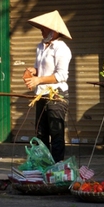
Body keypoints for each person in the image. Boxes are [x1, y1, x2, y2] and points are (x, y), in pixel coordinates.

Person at [23, 10, 72, 163]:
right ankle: (43, 165)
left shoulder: (61, 48)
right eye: (41, 28)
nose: (42, 31)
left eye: (44, 28)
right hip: (41, 95)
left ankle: (57, 167)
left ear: (55, 31)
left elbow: (61, 75)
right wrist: (33, 71)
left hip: (56, 95)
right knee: (40, 133)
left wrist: (39, 80)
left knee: (56, 133)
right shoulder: (40, 47)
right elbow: (41, 68)